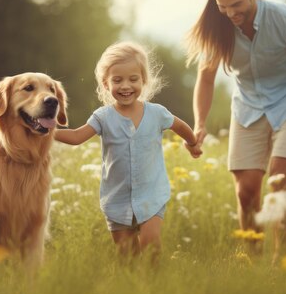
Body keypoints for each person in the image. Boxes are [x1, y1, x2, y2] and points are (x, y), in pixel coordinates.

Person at [185, 0, 286, 261]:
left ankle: (280, 264)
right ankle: (253, 263)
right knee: (246, 192)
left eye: (236, 4)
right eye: (223, 6)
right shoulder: (218, 26)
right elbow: (206, 78)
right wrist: (200, 124)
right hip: (248, 106)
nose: (230, 13)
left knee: (278, 179)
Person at [55, 41, 202, 261]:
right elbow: (76, 137)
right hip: (117, 199)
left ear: (144, 80)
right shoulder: (103, 117)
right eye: (117, 80)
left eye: (133, 79)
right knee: (126, 257)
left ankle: (153, 288)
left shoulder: (157, 113)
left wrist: (192, 143)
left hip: (151, 194)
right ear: (106, 84)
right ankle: (131, 290)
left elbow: (180, 126)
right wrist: (45, 133)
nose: (126, 86)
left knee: (151, 246)